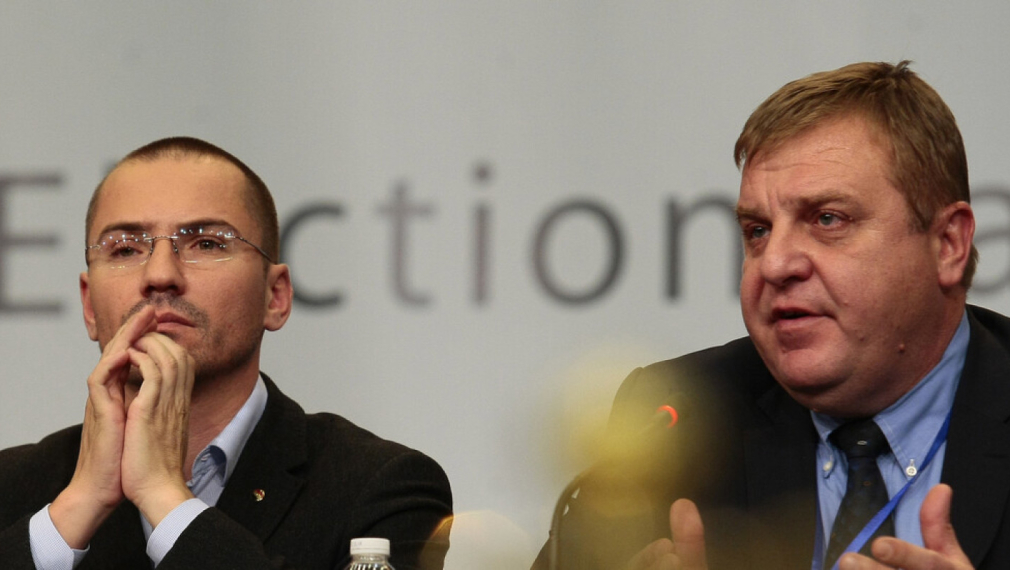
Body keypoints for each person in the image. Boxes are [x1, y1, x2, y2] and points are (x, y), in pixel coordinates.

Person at [537, 61, 1008, 570]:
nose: (775, 264)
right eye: (757, 231)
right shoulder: (678, 418)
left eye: (827, 219)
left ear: (948, 244)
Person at [0, 137, 452, 569]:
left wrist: (165, 498)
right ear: (88, 306)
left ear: (275, 296)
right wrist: (78, 508)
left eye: (207, 243)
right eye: (125, 249)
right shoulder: (13, 487)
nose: (160, 275)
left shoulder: (380, 487)